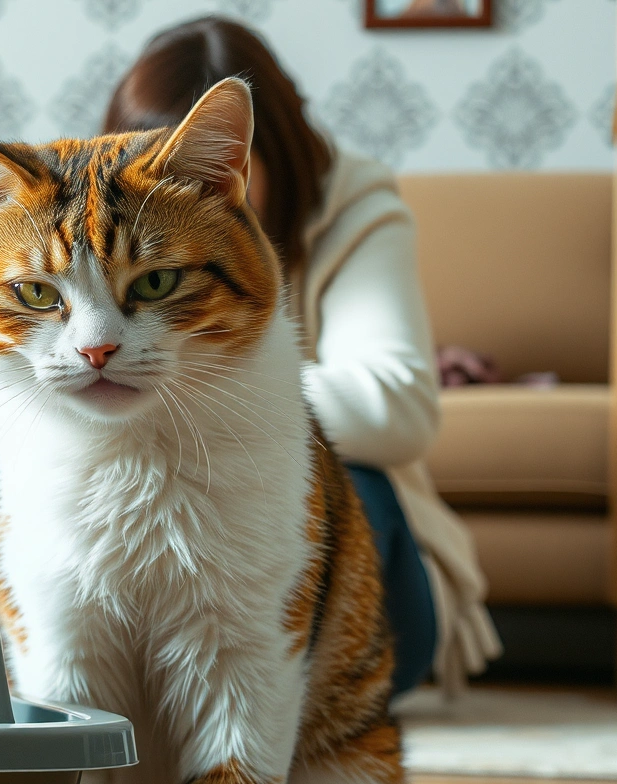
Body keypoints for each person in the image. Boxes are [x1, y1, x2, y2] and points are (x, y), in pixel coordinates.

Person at [101, 16, 500, 694]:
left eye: (211, 169)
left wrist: (178, 389)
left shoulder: (352, 201)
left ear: (255, 151)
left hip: (346, 564)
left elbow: (394, 404)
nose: (179, 191)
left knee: (336, 480)